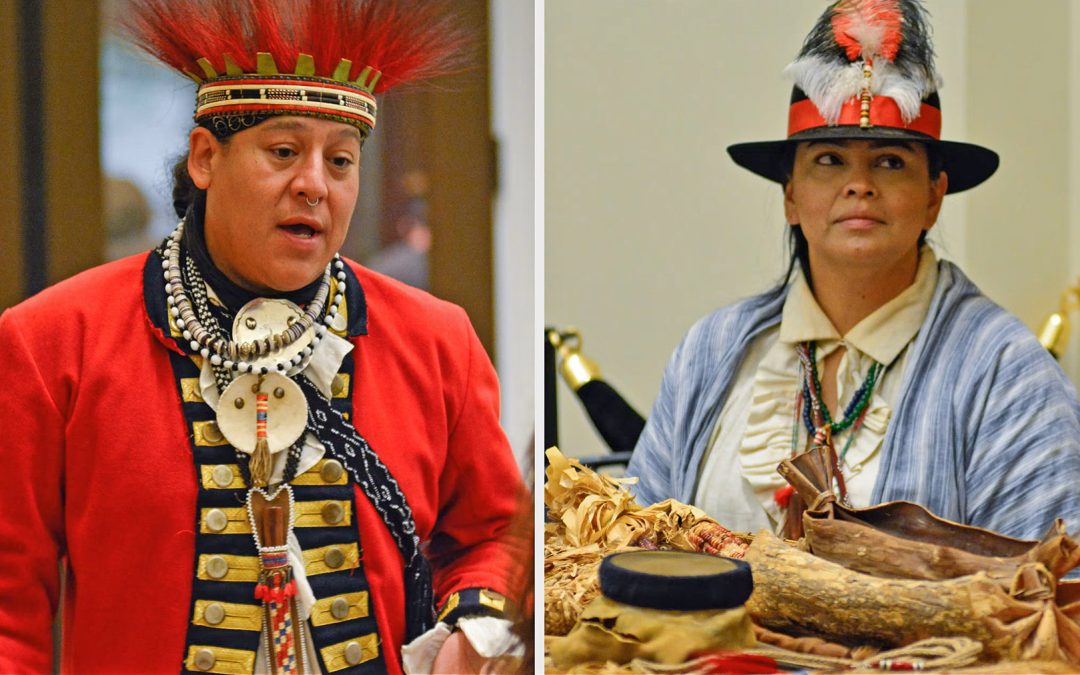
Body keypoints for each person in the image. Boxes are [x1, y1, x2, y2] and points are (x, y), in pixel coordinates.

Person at [0, 1, 530, 673]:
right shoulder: (53, 343)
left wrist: (475, 626)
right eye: (283, 152)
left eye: (340, 162)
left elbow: (491, 535)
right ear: (204, 157)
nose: (313, 184)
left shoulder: (436, 340)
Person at [627, 0, 1080, 542]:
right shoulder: (712, 350)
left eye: (891, 162)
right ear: (791, 196)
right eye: (829, 159)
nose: (859, 184)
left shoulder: (1006, 372)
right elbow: (634, 545)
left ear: (934, 197)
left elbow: (1048, 591)